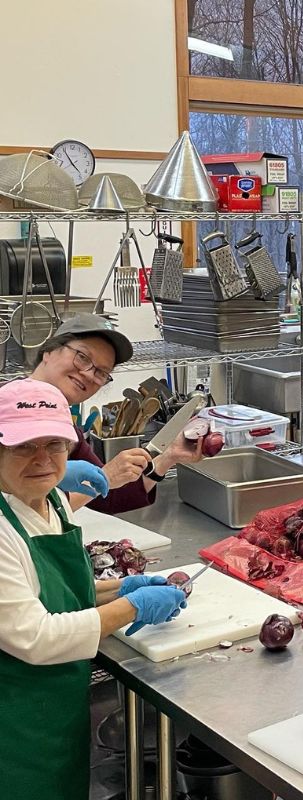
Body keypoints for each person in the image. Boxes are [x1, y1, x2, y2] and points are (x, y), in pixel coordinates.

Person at [0, 378, 187, 799]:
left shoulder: (50, 503)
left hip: (53, 713)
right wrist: (135, 607)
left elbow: (62, 594)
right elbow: (37, 636)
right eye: (23, 446)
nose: (43, 459)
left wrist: (126, 586)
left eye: (56, 445)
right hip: (12, 725)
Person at [30, 314, 203, 513]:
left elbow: (110, 497)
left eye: (101, 373)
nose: (88, 374)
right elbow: (28, 510)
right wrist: (106, 478)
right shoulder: (6, 407)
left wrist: (169, 456)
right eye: (82, 357)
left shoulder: (66, 429)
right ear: (48, 351)